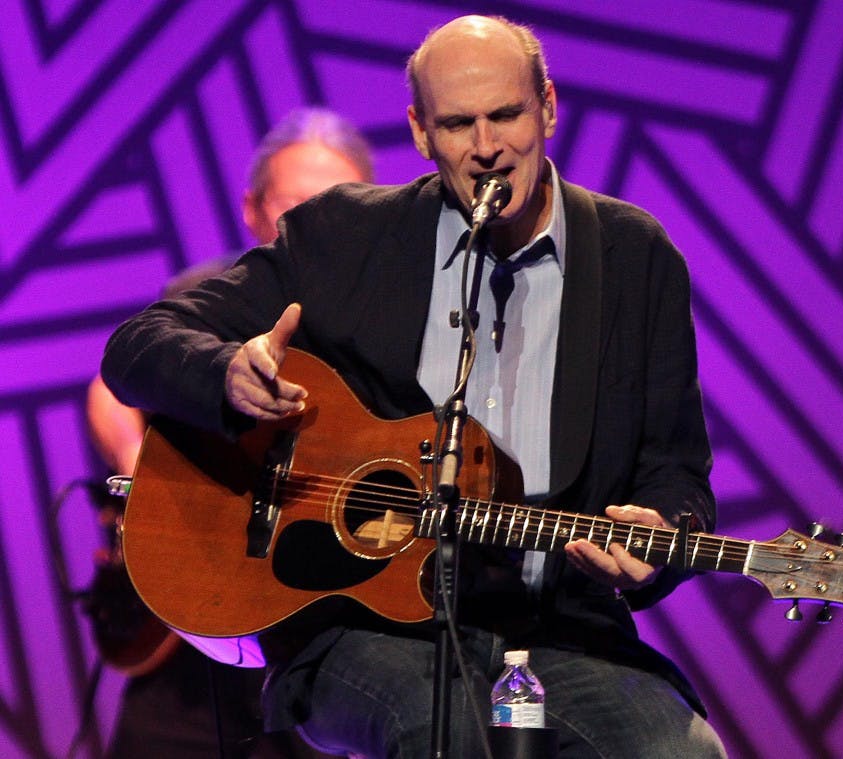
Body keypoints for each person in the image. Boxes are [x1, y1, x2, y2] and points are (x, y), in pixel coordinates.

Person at [100, 15, 726, 759]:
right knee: (451, 731)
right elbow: (136, 347)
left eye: (507, 115)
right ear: (421, 133)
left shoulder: (636, 259)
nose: (487, 145)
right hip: (364, 631)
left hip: (561, 630)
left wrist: (659, 535)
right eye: (459, 124)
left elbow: (677, 473)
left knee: (682, 752)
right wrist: (225, 373)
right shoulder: (343, 236)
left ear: (549, 108)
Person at [87, 106, 374, 759]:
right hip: (195, 612)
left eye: (341, 204)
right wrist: (140, 465)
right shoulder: (206, 294)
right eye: (295, 204)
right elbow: (112, 384)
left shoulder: (384, 323)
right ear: (252, 209)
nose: (315, 224)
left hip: (319, 623)